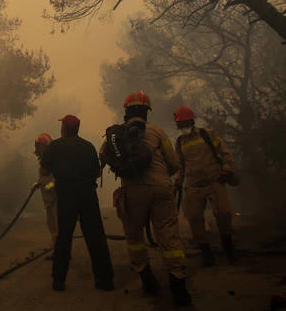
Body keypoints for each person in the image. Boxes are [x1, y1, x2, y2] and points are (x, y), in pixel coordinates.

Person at [100, 91, 191, 306]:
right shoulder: (158, 132)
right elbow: (175, 164)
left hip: (132, 192)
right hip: (160, 189)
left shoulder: (116, 135)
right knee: (168, 236)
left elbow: (104, 156)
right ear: (146, 112)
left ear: (126, 111)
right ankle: (178, 284)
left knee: (134, 238)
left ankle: (147, 279)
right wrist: (161, 176)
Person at [40, 115, 114, 292]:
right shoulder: (88, 146)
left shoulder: (55, 146)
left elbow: (44, 170)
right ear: (77, 129)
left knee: (63, 239)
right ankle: (105, 281)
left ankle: (59, 281)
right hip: (87, 196)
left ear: (63, 128)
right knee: (96, 238)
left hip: (66, 197)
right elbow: (96, 173)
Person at [173, 106, 239, 266]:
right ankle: (207, 255)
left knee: (224, 214)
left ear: (192, 121)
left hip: (215, 181)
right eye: (180, 124)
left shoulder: (207, 134)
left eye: (185, 122)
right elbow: (180, 165)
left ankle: (229, 250)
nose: (183, 126)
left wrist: (227, 170)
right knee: (194, 219)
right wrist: (178, 180)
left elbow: (225, 152)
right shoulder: (180, 142)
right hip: (193, 187)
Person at [34, 133, 57, 260]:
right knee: (51, 226)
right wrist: (38, 183)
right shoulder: (43, 161)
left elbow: (58, 176)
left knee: (58, 226)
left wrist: (50, 185)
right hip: (48, 200)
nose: (39, 149)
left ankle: (62, 253)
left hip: (56, 199)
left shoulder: (54, 159)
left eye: (41, 146)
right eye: (38, 146)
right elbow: (44, 176)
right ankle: (56, 250)